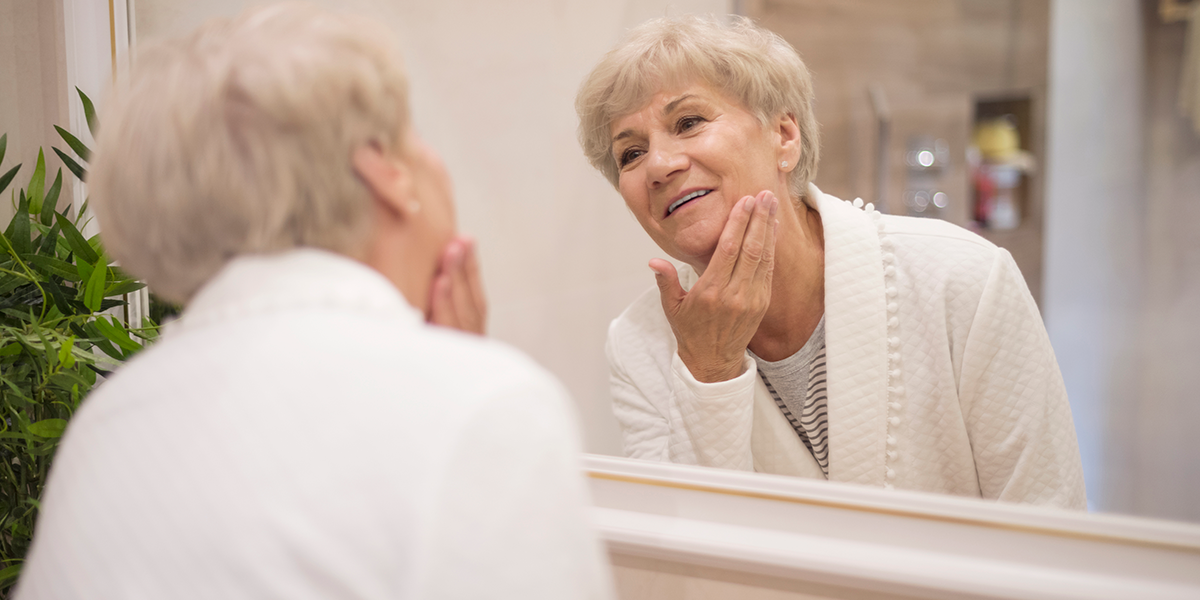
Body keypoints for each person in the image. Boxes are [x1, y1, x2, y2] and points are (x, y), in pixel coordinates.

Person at [16, 5, 613, 598]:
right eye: (414, 135)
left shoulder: (107, 425)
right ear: (384, 170)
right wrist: (457, 381)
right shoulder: (485, 408)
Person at [575, 15, 1086, 509]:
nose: (659, 165)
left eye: (689, 122)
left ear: (784, 136)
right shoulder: (639, 344)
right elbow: (682, 555)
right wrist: (709, 371)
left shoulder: (965, 281)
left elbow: (1049, 531)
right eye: (630, 154)